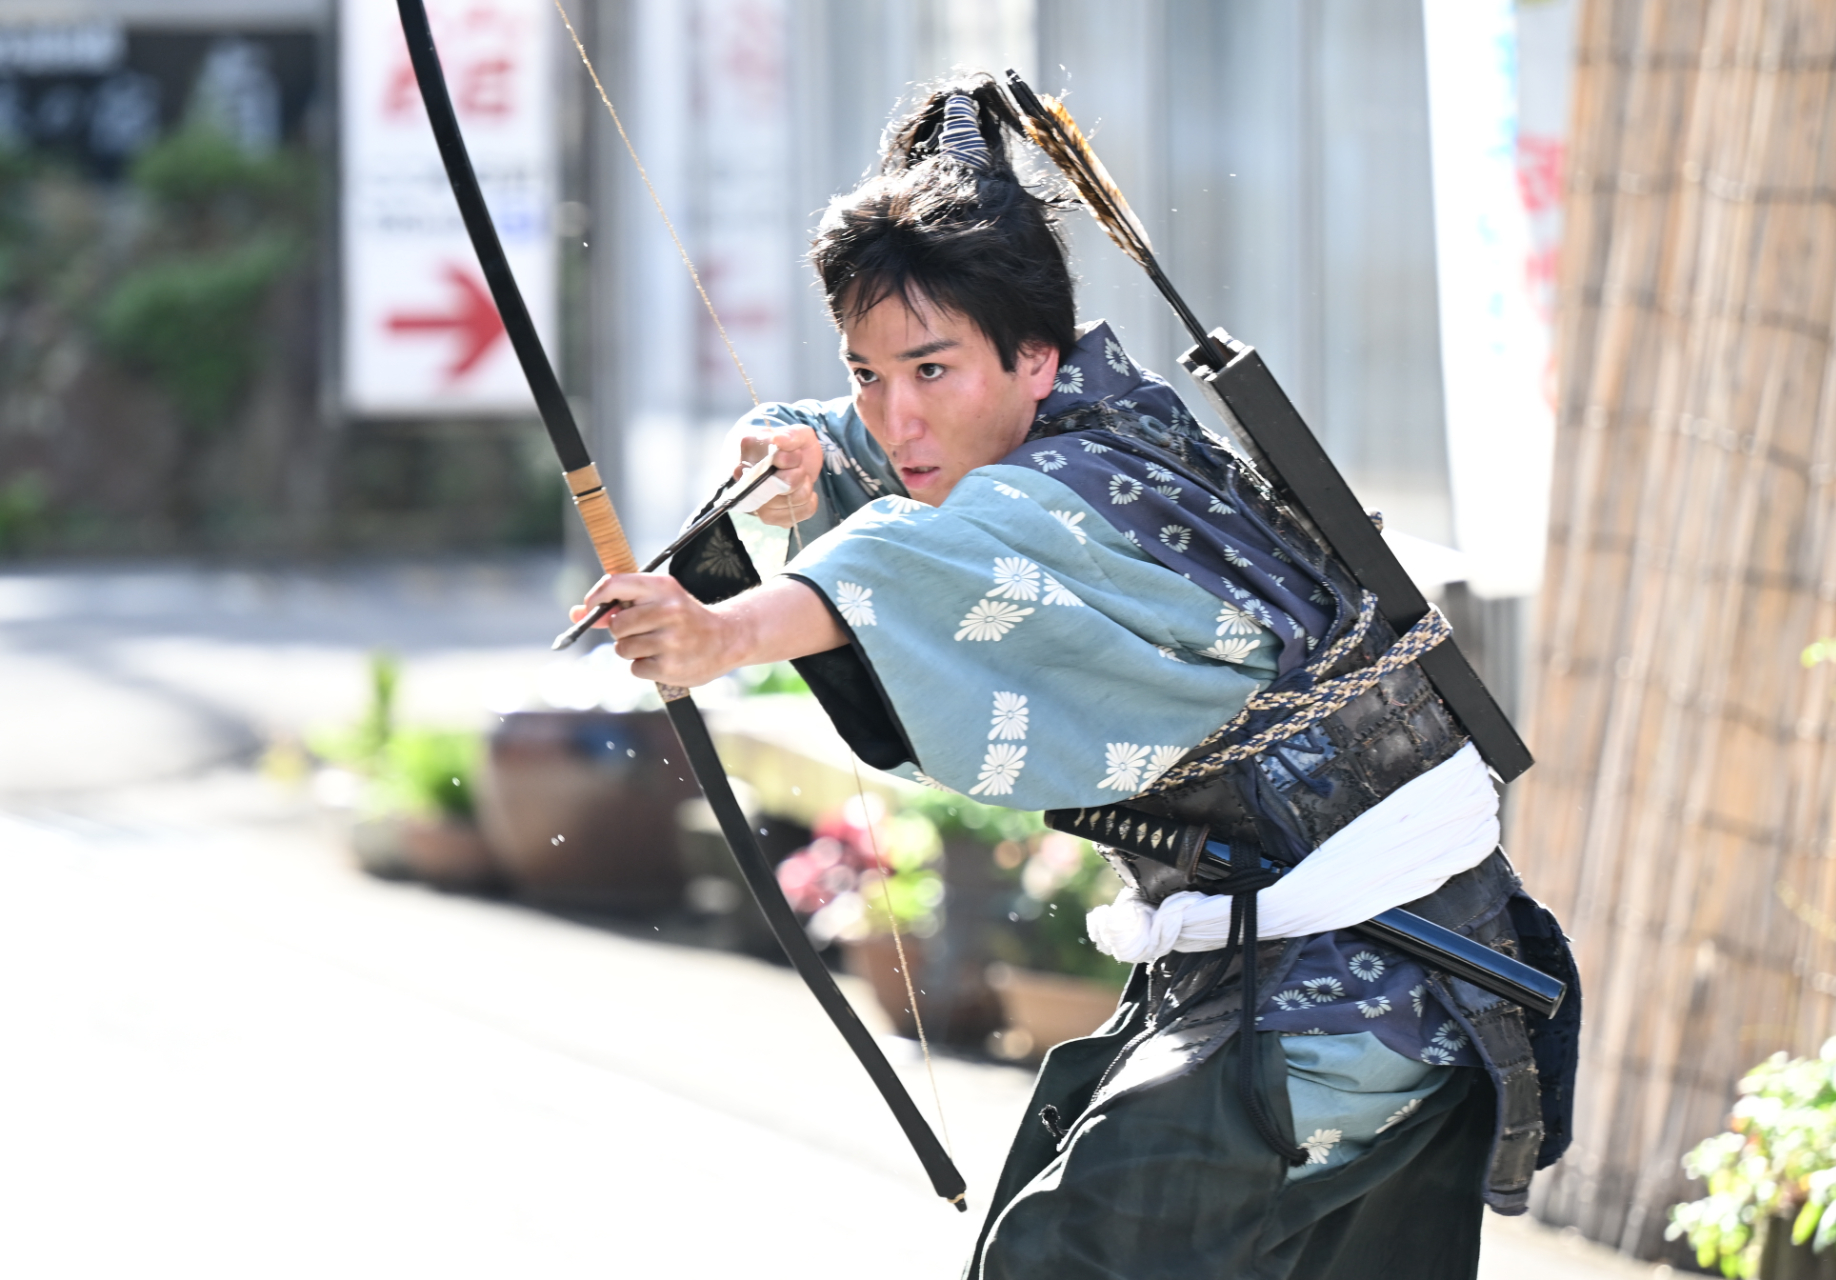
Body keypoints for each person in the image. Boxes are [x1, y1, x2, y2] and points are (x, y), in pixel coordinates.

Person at [571, 77, 1578, 1280]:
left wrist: (722, 633)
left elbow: (925, 555)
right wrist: (804, 444)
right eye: (864, 375)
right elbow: (932, 454)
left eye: (929, 370)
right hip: (1403, 980)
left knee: (1058, 1264)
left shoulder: (1060, 505)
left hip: (1351, 1005)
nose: (896, 416)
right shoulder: (1125, 421)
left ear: (1038, 357)